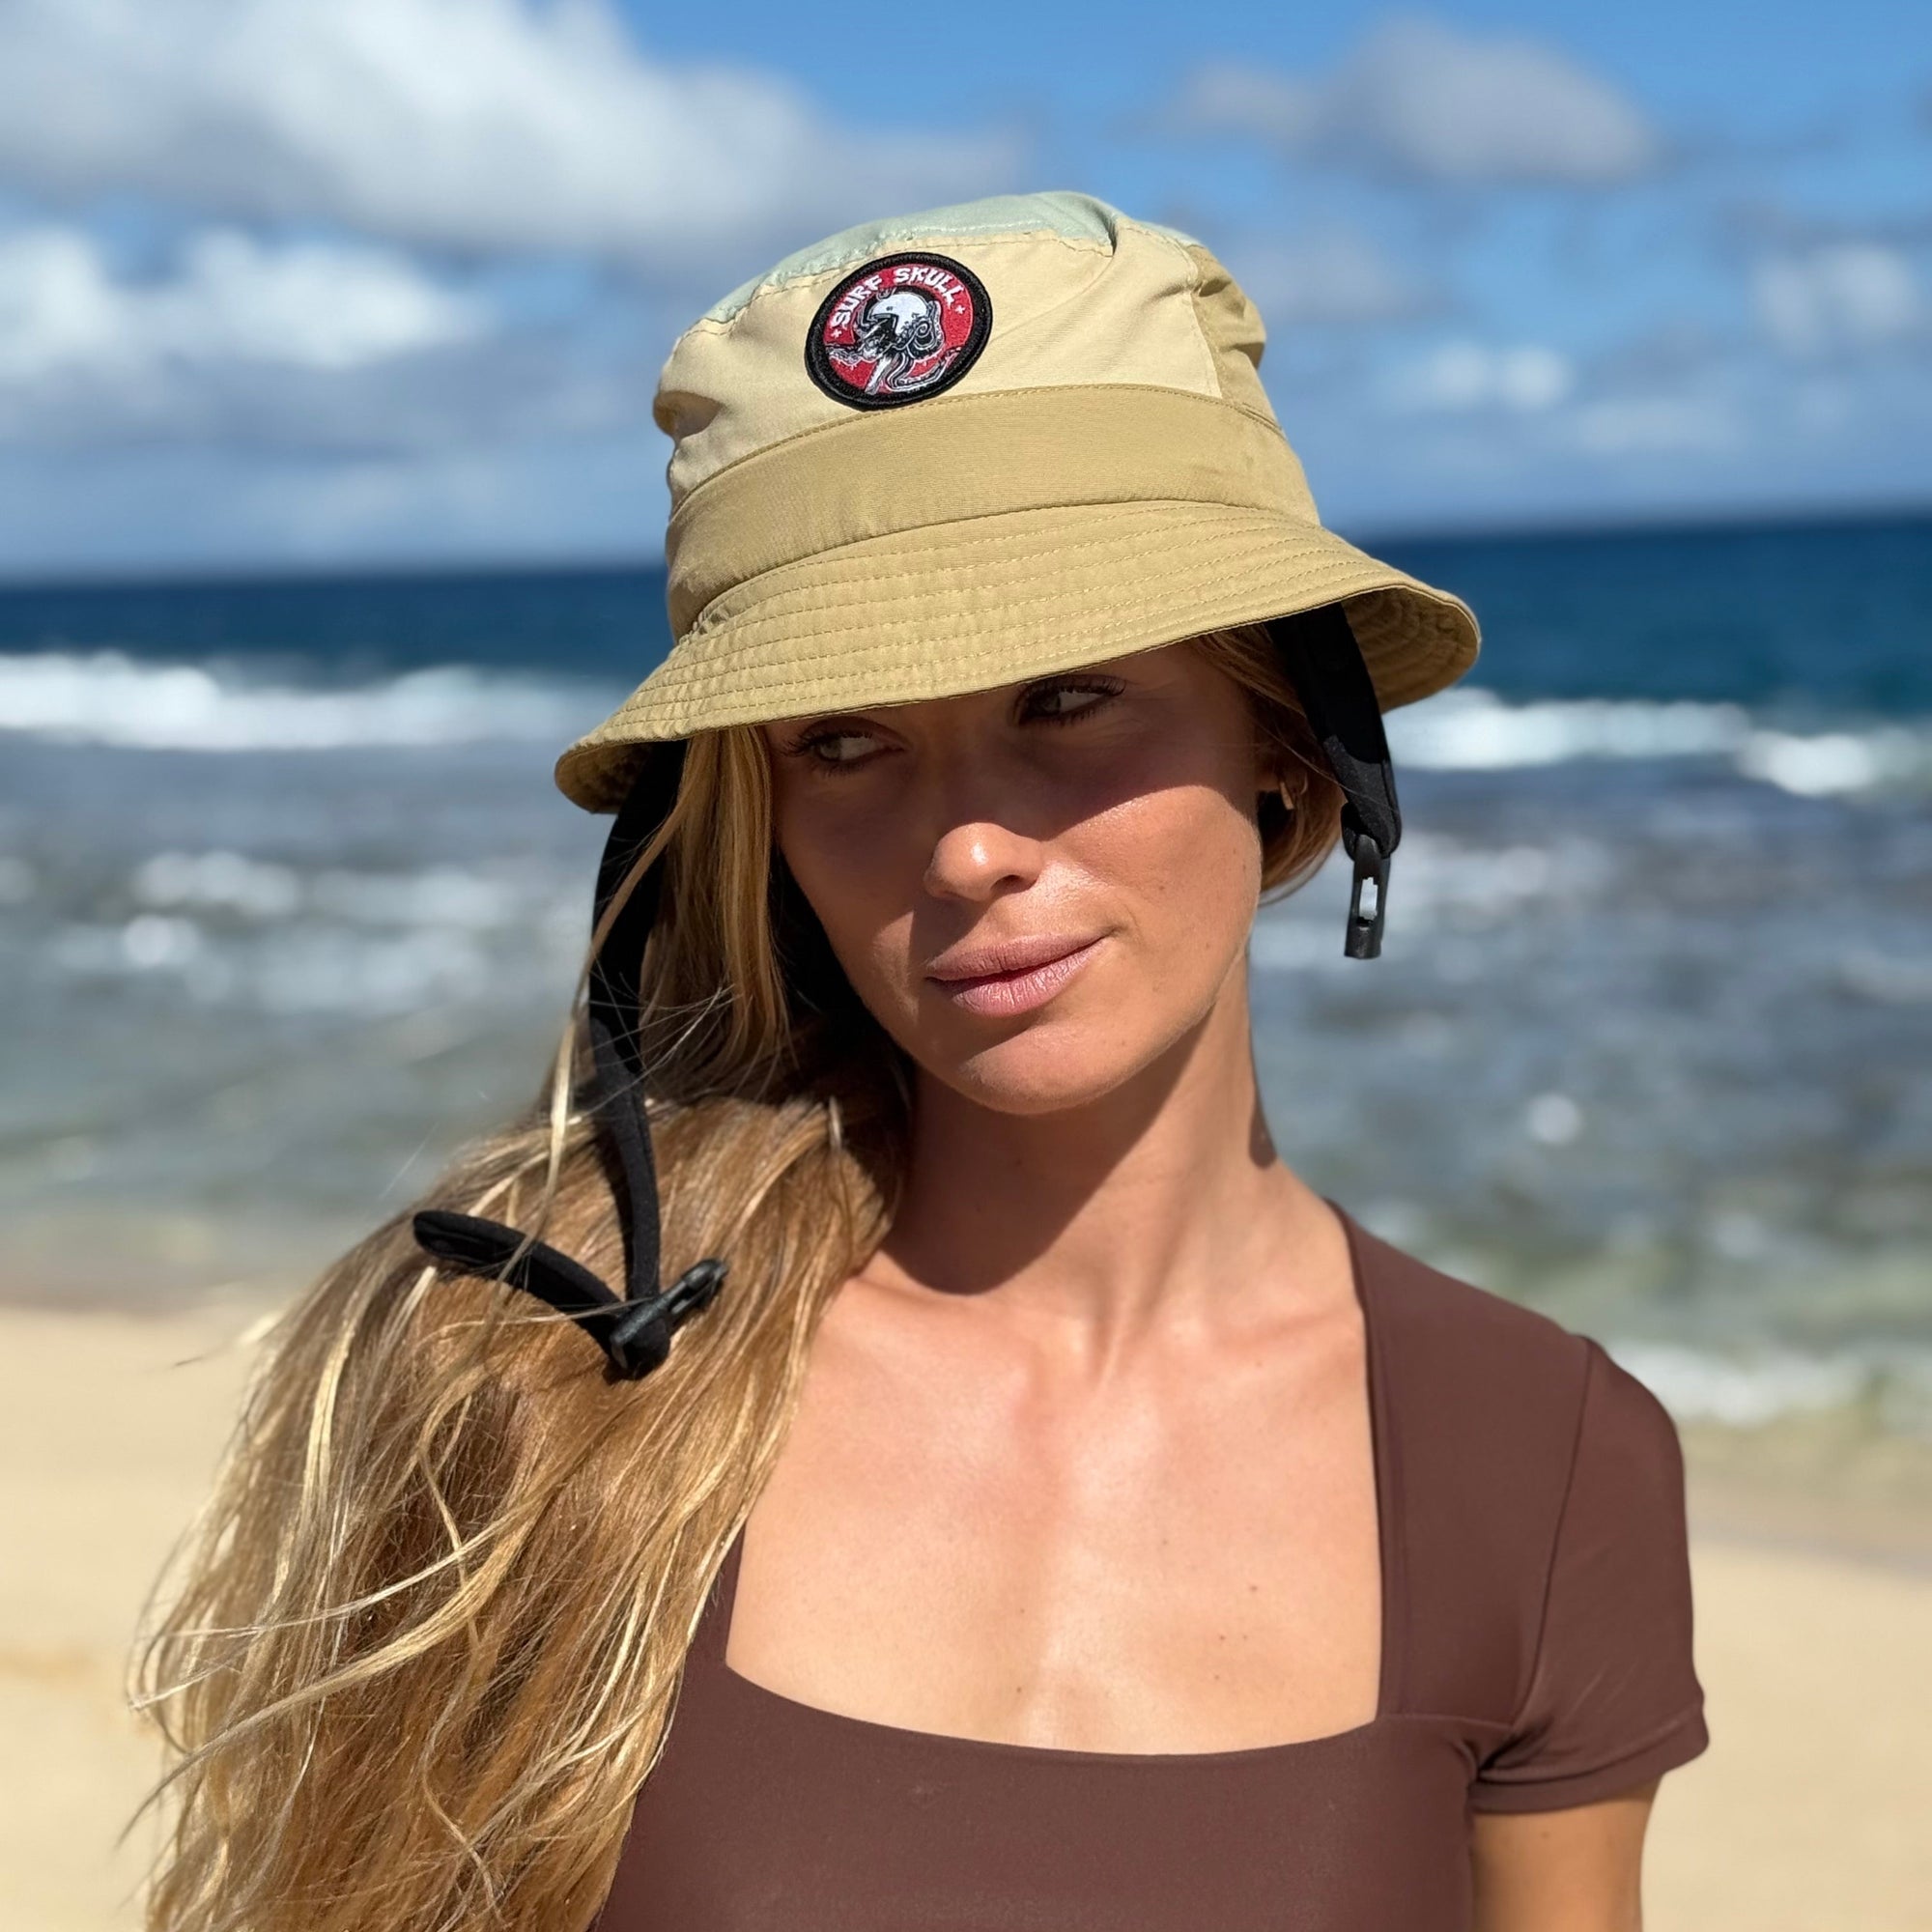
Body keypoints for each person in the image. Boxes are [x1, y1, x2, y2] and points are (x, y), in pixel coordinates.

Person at [137, 191, 1708, 1932]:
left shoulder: (1544, 1461)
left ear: (1285, 744)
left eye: (1065, 699)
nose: (967, 849)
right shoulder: (537, 1371)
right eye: (848, 741)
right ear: (760, 821)